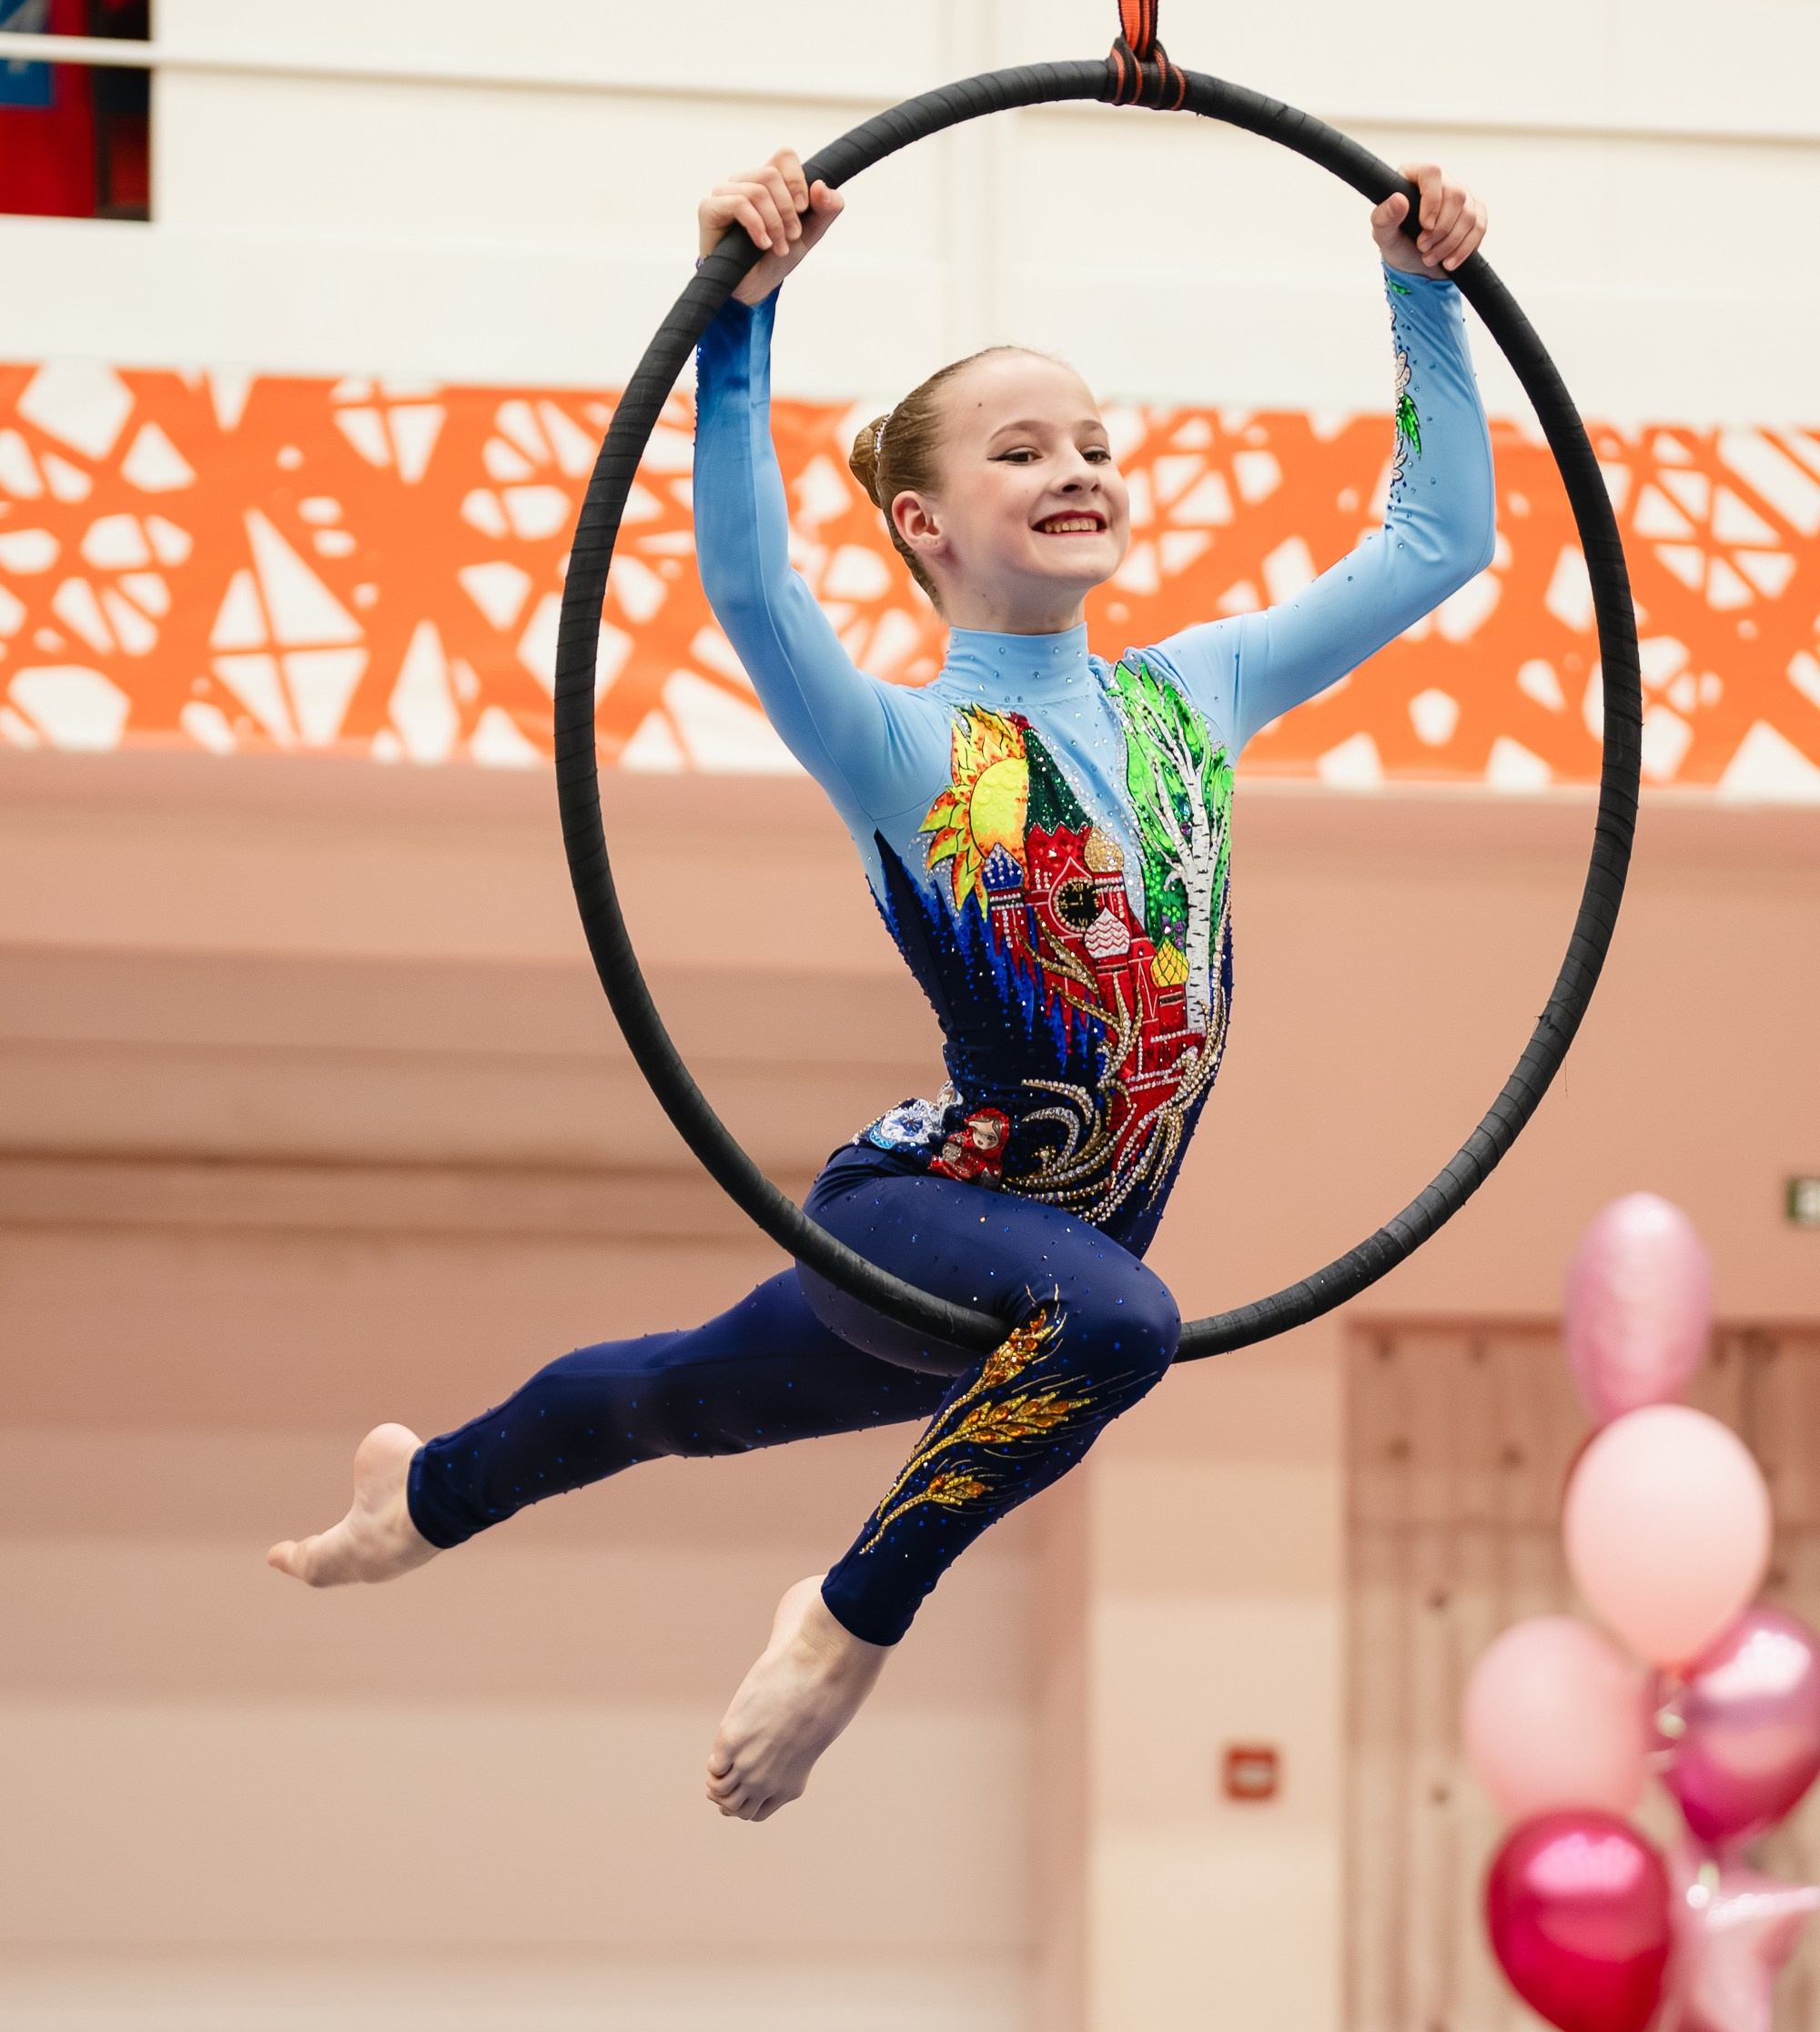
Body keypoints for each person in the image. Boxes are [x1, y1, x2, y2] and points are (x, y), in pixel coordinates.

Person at [271, 149, 1492, 1823]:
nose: (1076, 468)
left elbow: (1438, 539)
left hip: (1037, 1277)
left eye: (1093, 444)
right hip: (927, 1215)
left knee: (664, 1394)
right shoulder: (908, 749)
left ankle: (417, 1500)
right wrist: (740, 325)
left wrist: (1422, 295)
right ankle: (842, 1625)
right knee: (1121, 1324)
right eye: (1021, 449)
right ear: (921, 522)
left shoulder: (1190, 697)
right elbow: (760, 594)